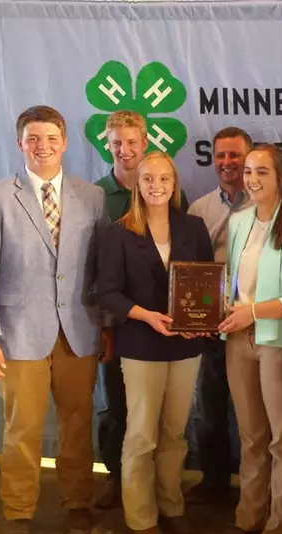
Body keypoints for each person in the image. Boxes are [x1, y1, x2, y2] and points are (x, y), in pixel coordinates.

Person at [0, 105, 105, 534]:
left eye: (50, 138)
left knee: (78, 423)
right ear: (19, 143)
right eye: (33, 139)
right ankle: (19, 511)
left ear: (65, 143)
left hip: (79, 330)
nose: (42, 146)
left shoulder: (92, 197)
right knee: (22, 428)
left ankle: (77, 503)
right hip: (19, 334)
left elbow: (100, 269)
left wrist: (106, 325)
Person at [96, 151, 213, 534]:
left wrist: (198, 320)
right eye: (148, 179)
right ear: (137, 185)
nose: (156, 186)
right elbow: (107, 293)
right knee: (141, 435)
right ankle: (141, 517)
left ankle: (172, 507)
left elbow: (206, 284)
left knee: (175, 433)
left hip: (185, 346)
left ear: (174, 182)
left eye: (164, 179)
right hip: (141, 345)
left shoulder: (194, 227)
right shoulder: (118, 232)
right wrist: (146, 315)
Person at [211, 145, 282, 534]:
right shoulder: (238, 221)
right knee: (251, 436)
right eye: (248, 171)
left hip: (281, 344)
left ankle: (279, 530)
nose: (252, 179)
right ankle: (248, 518)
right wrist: (223, 305)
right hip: (238, 341)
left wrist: (252, 312)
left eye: (263, 172)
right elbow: (232, 281)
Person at [93, 110, 189, 510]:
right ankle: (122, 486)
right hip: (122, 326)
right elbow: (98, 275)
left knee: (169, 427)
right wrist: (107, 324)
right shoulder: (97, 195)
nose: (125, 149)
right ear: (107, 144)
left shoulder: (181, 210)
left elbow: (190, 275)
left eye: (132, 141)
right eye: (117, 142)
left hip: (175, 337)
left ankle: (166, 500)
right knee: (124, 412)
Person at [185, 126, 254, 504]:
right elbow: (190, 269)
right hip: (210, 325)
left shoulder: (266, 204)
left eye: (235, 155)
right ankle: (213, 480)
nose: (227, 163)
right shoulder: (199, 209)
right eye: (221, 156)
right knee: (209, 406)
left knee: (253, 412)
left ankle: (256, 485)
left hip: (253, 323)